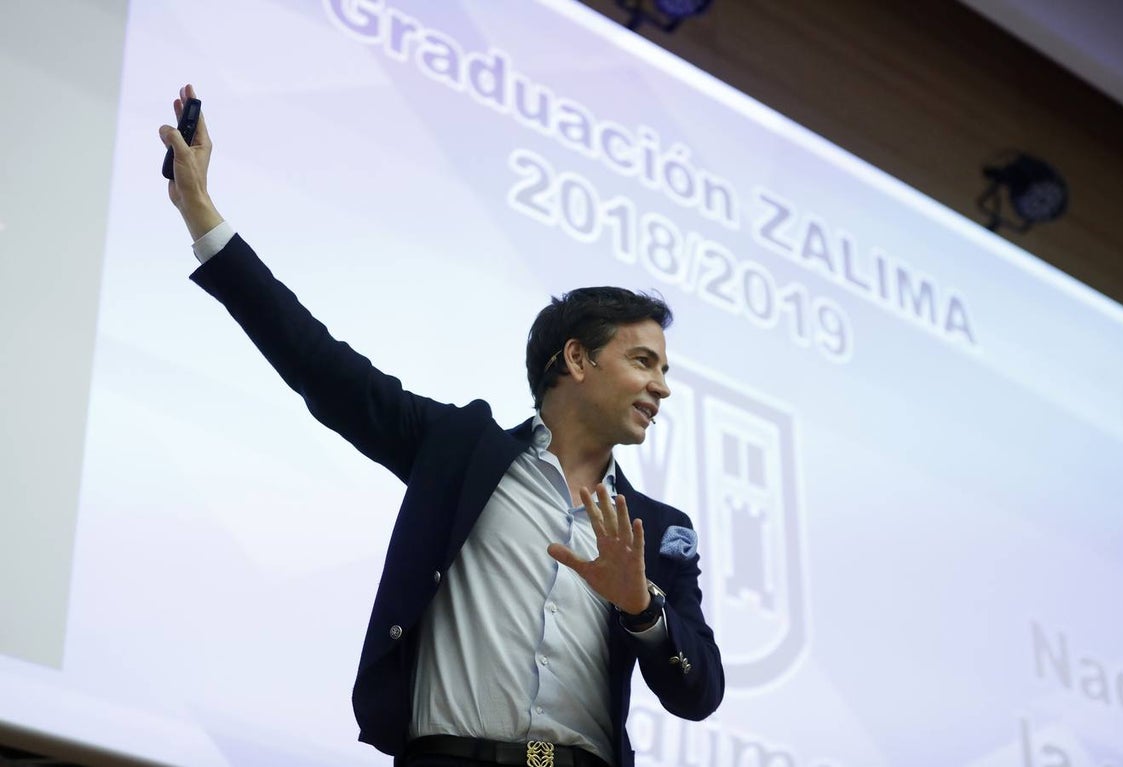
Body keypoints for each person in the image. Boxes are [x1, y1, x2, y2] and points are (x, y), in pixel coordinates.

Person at [160, 84, 723, 767]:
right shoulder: (460, 451)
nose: (662, 387)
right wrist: (202, 217)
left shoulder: (658, 530)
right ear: (577, 358)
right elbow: (322, 366)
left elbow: (700, 693)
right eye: (643, 361)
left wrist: (642, 608)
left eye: (665, 371)